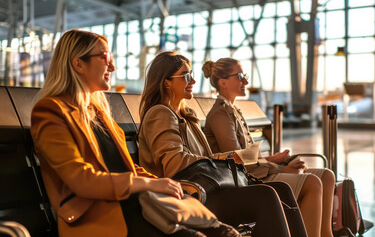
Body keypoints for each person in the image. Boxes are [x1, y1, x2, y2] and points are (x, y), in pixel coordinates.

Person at [30, 29, 238, 237]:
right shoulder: (50, 112)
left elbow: (126, 168)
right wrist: (150, 182)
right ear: (78, 64)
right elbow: (82, 180)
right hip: (97, 217)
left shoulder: (99, 114)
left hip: (132, 206)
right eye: (105, 58)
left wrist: (165, 184)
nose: (112, 66)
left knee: (222, 231)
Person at [137, 51, 306, 237]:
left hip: (204, 189)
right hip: (188, 195)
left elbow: (202, 159)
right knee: (266, 197)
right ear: (166, 81)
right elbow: (174, 163)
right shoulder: (160, 113)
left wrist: (225, 158)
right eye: (186, 76)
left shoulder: (185, 116)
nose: (193, 81)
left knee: (281, 189)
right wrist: (221, 160)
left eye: (192, 74)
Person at [201, 58, 336, 237]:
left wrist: (273, 159)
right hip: (246, 180)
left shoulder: (232, 110)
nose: (246, 82)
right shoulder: (220, 114)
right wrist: (280, 168)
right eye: (240, 76)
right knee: (312, 183)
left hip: (257, 171)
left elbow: (246, 157)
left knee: (327, 176)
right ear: (222, 82)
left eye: (245, 76)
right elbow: (238, 162)